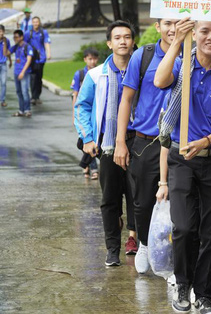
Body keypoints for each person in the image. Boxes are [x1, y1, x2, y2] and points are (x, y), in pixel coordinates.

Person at [154, 20, 211, 314]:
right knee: (183, 227)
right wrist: (178, 40)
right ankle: (182, 283)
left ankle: (204, 295)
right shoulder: (181, 65)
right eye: (204, 31)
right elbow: (159, 81)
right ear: (195, 34)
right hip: (181, 159)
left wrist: (204, 142)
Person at [114, 18, 187, 273]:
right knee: (142, 202)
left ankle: (174, 260)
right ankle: (144, 243)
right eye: (167, 23)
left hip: (179, 143)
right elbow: (126, 99)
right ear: (157, 26)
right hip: (146, 142)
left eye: (178, 23)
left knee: (179, 203)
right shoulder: (142, 56)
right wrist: (121, 141)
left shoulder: (192, 56)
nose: (173, 28)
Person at [74, 20, 138, 266]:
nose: (123, 41)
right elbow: (82, 106)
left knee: (138, 194)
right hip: (107, 143)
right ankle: (112, 247)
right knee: (110, 197)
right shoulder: (95, 74)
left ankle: (134, 238)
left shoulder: (141, 71)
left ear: (133, 42)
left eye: (127, 37)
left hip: (138, 140)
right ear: (109, 43)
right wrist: (89, 138)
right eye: (118, 37)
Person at [71, 48, 100, 180]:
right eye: (90, 59)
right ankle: (90, 166)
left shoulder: (100, 73)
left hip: (96, 112)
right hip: (84, 113)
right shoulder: (80, 74)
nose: (92, 61)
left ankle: (89, 166)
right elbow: (76, 95)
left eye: (94, 59)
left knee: (92, 140)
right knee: (84, 141)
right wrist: (74, 113)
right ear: (85, 59)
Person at [24, 16, 51, 105]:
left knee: (39, 78)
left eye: (37, 22)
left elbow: (46, 43)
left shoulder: (43, 32)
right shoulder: (28, 33)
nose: (36, 23)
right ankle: (33, 97)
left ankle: (37, 96)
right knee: (33, 78)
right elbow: (24, 44)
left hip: (41, 58)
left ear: (39, 23)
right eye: (34, 22)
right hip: (32, 59)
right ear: (32, 23)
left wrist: (49, 53)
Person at [8, 29, 32, 117]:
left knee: (25, 91)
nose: (15, 39)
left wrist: (23, 72)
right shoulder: (16, 47)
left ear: (21, 37)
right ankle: (21, 110)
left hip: (24, 73)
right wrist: (3, 41)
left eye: (16, 37)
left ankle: (27, 109)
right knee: (19, 92)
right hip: (16, 72)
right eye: (14, 37)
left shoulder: (27, 46)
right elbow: (6, 53)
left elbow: (29, 60)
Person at [0, 24, 12, 108]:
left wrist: (10, 60)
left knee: (3, 83)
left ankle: (2, 100)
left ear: (4, 32)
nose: (0, 33)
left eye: (1, 31)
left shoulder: (6, 41)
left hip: (3, 64)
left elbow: (8, 51)